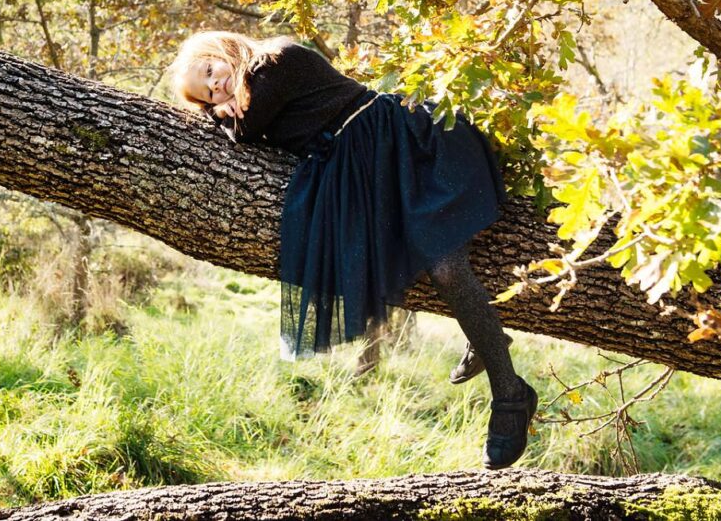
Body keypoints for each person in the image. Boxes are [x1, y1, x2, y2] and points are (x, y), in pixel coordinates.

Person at [169, 31, 538, 470]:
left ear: (222, 51)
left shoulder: (274, 61)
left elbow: (245, 130)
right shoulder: (247, 93)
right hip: (361, 169)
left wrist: (222, 116)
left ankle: (510, 396)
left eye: (210, 72)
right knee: (412, 267)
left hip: (398, 142)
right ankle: (487, 340)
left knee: (446, 268)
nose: (216, 88)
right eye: (207, 96)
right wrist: (221, 114)